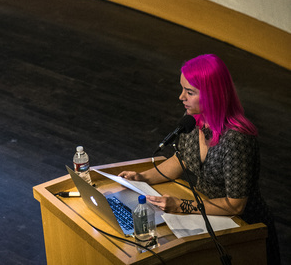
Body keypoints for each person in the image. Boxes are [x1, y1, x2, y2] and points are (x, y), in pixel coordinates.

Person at [119, 54, 281, 264]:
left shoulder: (236, 139)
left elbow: (235, 205)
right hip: (208, 218)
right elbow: (182, 160)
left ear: (212, 95)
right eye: (182, 89)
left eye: (189, 92)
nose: (181, 97)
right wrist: (142, 177)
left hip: (244, 231)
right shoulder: (193, 121)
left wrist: (180, 205)